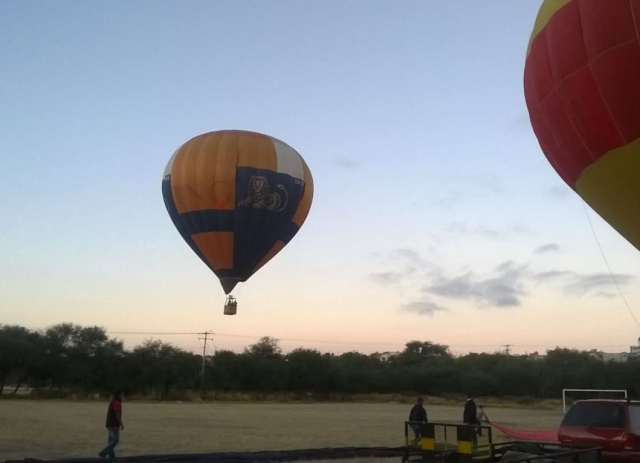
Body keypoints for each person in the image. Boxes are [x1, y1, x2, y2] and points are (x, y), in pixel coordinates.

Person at [98, 390, 124, 459]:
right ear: (118, 395)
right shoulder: (117, 403)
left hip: (109, 423)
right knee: (115, 440)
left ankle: (111, 457)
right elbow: (117, 415)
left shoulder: (113, 401)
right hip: (113, 424)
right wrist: (121, 424)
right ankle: (103, 453)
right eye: (121, 395)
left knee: (110, 441)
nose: (122, 396)